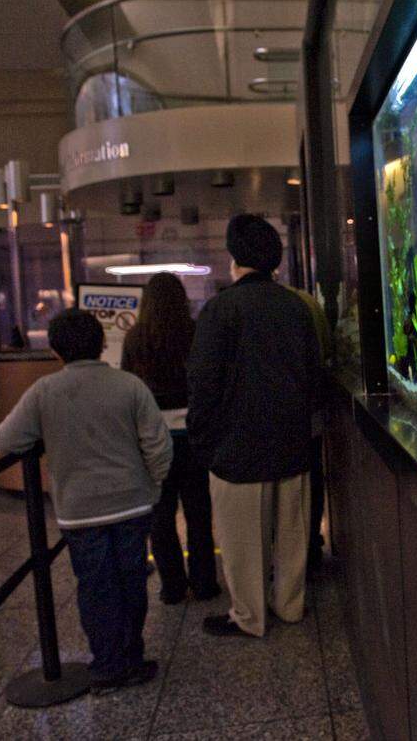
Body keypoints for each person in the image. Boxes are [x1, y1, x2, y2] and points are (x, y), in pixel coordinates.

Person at [0, 309, 172, 693]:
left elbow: (6, 440)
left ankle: (106, 666)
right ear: (103, 343)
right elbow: (158, 444)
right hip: (131, 502)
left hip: (80, 510)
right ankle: (132, 658)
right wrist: (153, 484)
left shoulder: (44, 391)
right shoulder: (129, 385)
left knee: (95, 587)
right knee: (131, 583)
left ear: (56, 351)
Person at [188, 214, 321, 638]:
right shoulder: (295, 308)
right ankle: (290, 604)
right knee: (293, 535)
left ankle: (249, 616)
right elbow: (313, 374)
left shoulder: (220, 310)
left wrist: (204, 442)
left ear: (234, 259)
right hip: (292, 443)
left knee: (244, 543)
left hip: (237, 450)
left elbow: (204, 382)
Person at [122, 273, 220, 605]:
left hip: (152, 438)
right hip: (193, 435)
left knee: (160, 518)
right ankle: (205, 583)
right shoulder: (194, 333)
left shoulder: (136, 338)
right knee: (199, 514)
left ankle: (173, 587)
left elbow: (128, 388)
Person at [286, 284, 331, 569]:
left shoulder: (278, 307)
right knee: (313, 478)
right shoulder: (307, 302)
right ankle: (312, 543)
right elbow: (327, 347)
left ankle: (292, 553)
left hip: (282, 418)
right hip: (311, 409)